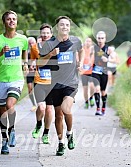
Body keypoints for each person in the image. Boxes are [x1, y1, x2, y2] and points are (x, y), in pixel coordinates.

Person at [38, 16, 84, 156]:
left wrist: (80, 62)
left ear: (69, 27)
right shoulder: (49, 44)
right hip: (54, 85)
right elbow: (40, 63)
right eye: (62, 25)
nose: (65, 27)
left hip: (71, 83)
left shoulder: (76, 41)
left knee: (66, 108)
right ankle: (61, 143)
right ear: (57, 27)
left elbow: (81, 50)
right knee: (58, 115)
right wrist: (51, 54)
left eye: (67, 25)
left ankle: (70, 133)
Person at [0, 10, 28, 154]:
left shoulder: (22, 39)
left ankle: (12, 131)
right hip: (1, 81)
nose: (12, 21)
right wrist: (0, 53)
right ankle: (4, 140)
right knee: (2, 111)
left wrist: (25, 63)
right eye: (9, 19)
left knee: (10, 105)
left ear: (17, 22)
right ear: (4, 22)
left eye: (14, 19)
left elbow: (25, 50)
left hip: (16, 79)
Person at [30, 23, 54, 144]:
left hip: (51, 83)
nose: (45, 35)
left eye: (47, 33)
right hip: (39, 80)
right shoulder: (35, 47)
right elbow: (33, 61)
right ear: (41, 34)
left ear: (51, 34)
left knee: (49, 110)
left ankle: (46, 133)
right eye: (43, 33)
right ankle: (39, 124)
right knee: (41, 107)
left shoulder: (56, 47)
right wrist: (32, 65)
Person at [92, 31, 110, 116]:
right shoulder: (94, 48)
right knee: (97, 89)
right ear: (96, 39)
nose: (100, 40)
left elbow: (116, 60)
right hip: (95, 72)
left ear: (105, 39)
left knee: (103, 92)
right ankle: (98, 109)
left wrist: (108, 60)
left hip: (104, 72)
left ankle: (103, 108)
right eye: (99, 38)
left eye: (102, 38)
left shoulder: (108, 49)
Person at [80, 37, 95, 109]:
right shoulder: (82, 49)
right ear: (85, 42)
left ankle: (91, 97)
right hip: (83, 72)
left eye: (89, 41)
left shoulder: (93, 50)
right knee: (85, 89)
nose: (88, 42)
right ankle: (86, 102)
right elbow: (78, 57)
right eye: (87, 41)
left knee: (92, 86)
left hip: (91, 71)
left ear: (91, 43)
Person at [26, 37, 37, 112]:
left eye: (32, 42)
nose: (31, 44)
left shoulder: (38, 50)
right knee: (30, 89)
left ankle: (40, 103)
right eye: (29, 43)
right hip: (29, 73)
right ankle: (34, 104)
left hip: (37, 72)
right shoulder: (26, 52)